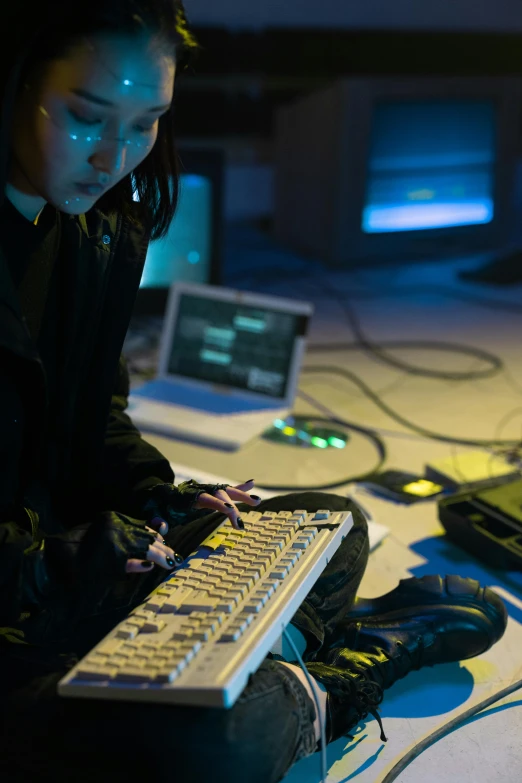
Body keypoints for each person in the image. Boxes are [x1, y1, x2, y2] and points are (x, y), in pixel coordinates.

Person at [0, 2, 508, 781]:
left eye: (147, 123)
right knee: (210, 747)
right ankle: (327, 675)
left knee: (330, 521)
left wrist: (160, 499)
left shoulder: (98, 230)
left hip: (84, 577)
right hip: (17, 613)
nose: (114, 157)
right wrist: (57, 564)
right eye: (87, 116)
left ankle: (271, 664)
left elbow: (97, 419)